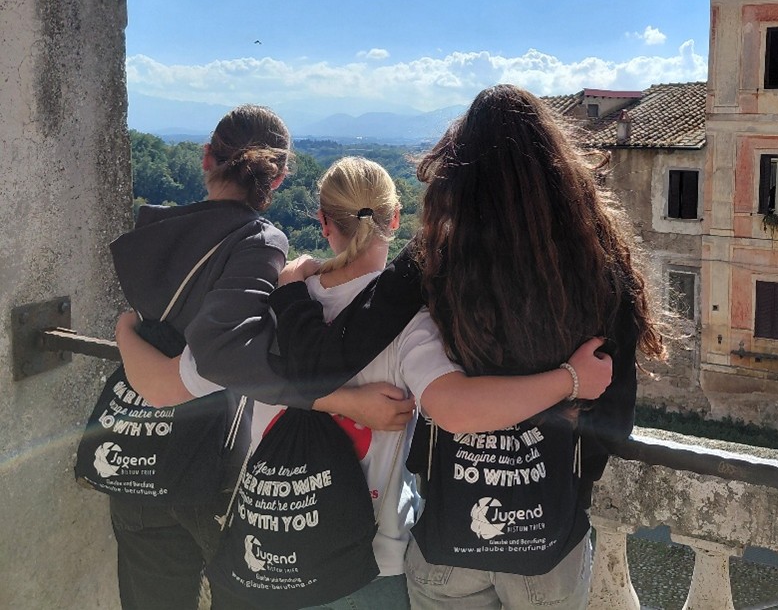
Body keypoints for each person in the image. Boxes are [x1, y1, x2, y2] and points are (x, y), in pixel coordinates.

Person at [118, 152, 613, 610]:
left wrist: (124, 330)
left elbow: (167, 386)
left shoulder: (271, 303)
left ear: (323, 222)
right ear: (395, 220)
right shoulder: (413, 324)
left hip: (267, 549)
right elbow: (456, 407)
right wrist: (571, 378)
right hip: (371, 562)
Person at [272, 84, 664, 609]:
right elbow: (612, 428)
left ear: (458, 178)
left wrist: (294, 292)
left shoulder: (434, 260)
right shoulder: (601, 268)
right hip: (547, 541)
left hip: (449, 532)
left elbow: (324, 359)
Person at [110, 105, 411, 610]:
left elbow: (157, 369)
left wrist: (123, 332)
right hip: (207, 473)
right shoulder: (259, 241)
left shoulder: (151, 234)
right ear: (279, 177)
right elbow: (206, 368)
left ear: (206, 158)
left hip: (134, 455)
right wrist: (342, 401)